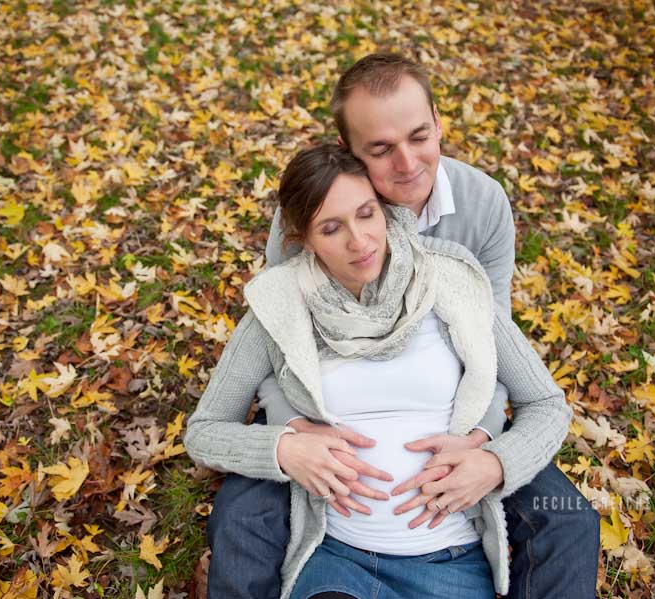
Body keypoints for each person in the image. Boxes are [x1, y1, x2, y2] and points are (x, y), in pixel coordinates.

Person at [205, 53, 600, 599]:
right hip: (326, 450)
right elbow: (285, 338)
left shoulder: (481, 209)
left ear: (439, 123)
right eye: (382, 149)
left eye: (420, 136)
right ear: (349, 155)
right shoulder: (311, 212)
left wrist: (483, 445)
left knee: (569, 517)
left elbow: (493, 345)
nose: (409, 163)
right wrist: (294, 435)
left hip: (456, 428)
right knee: (243, 515)